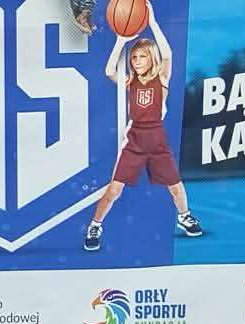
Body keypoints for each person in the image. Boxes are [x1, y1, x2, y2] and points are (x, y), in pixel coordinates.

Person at [82, 31, 205, 252]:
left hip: (156, 138)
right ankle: (95, 226)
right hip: (135, 139)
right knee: (114, 190)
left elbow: (167, 55)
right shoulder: (131, 82)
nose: (136, 61)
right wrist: (121, 41)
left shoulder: (162, 79)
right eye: (134, 57)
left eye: (142, 56)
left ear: (152, 58)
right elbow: (109, 71)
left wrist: (153, 24)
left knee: (176, 186)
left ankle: (184, 216)